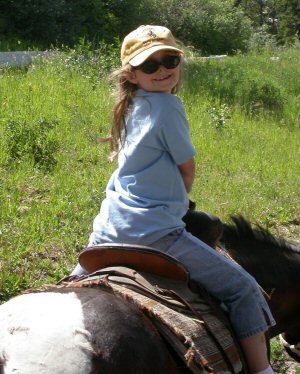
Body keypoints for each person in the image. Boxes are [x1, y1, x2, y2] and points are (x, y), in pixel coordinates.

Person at [71, 25, 275, 374]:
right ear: (132, 74)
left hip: (108, 228)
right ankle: (262, 370)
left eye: (170, 59)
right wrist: (179, 197)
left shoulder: (129, 104)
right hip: (155, 232)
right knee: (243, 289)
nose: (162, 68)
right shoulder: (169, 106)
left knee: (70, 289)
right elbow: (187, 168)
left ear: (180, 61)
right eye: (150, 65)